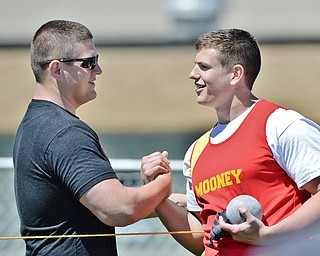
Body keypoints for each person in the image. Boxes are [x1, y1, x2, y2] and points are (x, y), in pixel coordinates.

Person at [141, 28, 320, 256]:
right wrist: (156, 197)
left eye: (204, 67)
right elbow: (201, 237)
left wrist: (267, 237)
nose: (192, 74)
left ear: (236, 74)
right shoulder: (196, 151)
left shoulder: (281, 124)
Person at [13, 20, 172, 256]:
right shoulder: (65, 133)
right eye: (89, 63)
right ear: (56, 69)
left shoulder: (33, 124)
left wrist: (160, 195)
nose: (98, 70)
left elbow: (101, 204)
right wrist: (164, 183)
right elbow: (120, 209)